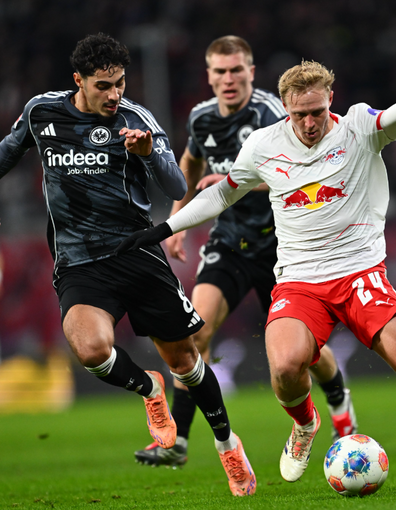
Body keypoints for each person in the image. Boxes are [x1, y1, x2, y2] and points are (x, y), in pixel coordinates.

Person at [117, 19, 396, 490]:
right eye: (300, 114)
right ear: (285, 108)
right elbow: (222, 193)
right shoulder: (264, 144)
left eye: (318, 112)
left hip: (361, 274)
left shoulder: (360, 127)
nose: (310, 123)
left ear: (331, 100)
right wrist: (164, 228)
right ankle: (306, 423)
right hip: (300, 280)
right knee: (285, 368)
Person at [0, 33, 255, 497]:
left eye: (119, 83)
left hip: (137, 254)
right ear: (78, 81)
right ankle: (149, 389)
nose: (114, 94)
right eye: (103, 85)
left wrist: (148, 154)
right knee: (90, 350)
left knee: (186, 360)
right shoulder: (42, 112)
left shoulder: (136, 119)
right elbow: (6, 154)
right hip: (79, 262)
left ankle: (227, 445)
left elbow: (177, 185)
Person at [134, 35, 358, 468]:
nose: (228, 78)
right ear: (209, 76)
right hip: (230, 242)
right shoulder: (201, 117)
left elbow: (299, 174)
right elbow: (190, 162)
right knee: (193, 334)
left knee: (305, 352)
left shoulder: (273, 113)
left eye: (236, 70)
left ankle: (336, 396)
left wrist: (230, 184)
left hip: (282, 245)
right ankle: (179, 441)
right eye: (220, 71)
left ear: (251, 73)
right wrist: (177, 218)